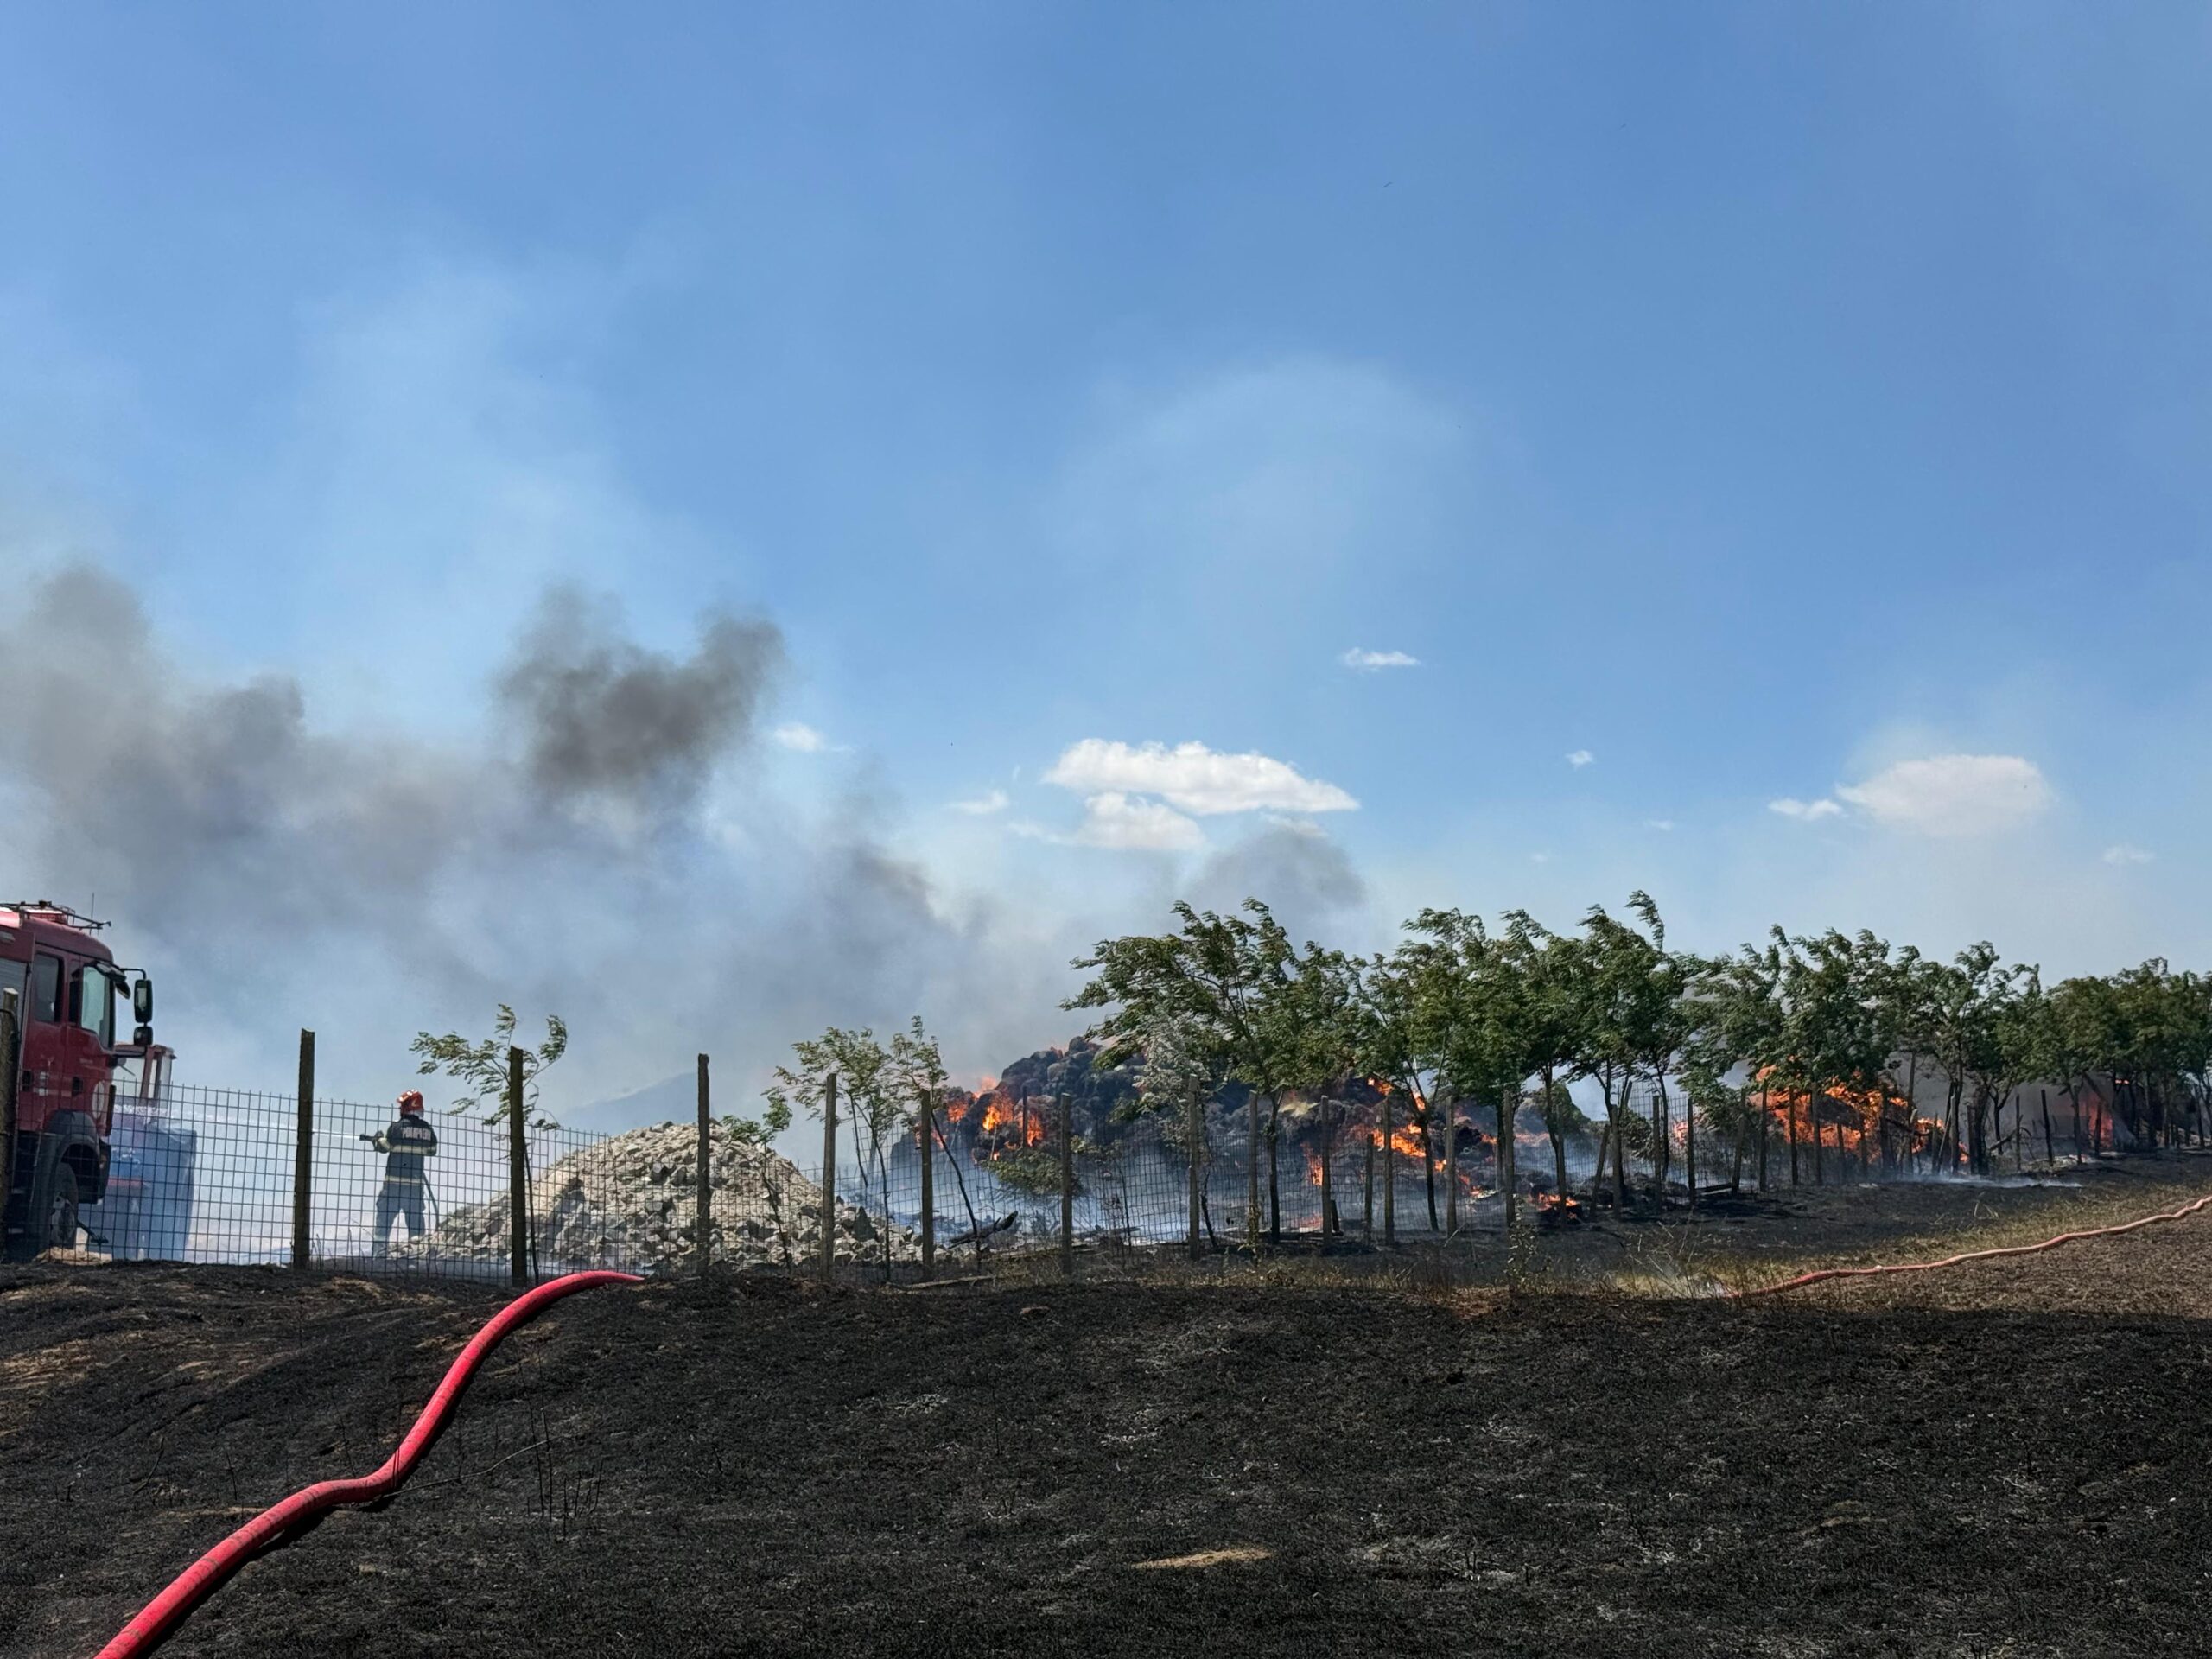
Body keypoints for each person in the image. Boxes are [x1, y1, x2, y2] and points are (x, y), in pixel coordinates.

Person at [370, 1090, 439, 1257]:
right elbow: (432, 1151)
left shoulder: (396, 1128)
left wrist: (377, 1139)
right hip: (414, 1187)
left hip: (392, 1186)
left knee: (384, 1220)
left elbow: (384, 1147)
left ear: (406, 1107)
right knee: (415, 1220)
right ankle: (418, 1253)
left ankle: (379, 1254)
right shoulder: (427, 1130)